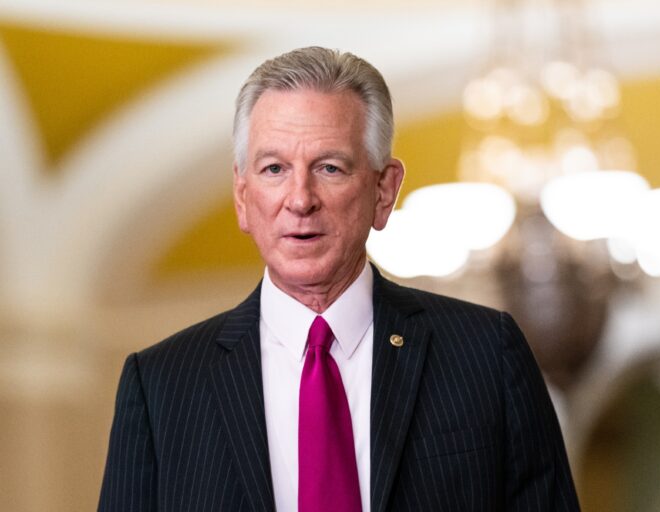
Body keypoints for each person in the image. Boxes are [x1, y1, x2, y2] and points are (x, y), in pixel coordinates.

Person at [98, 46, 580, 512]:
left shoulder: (485, 355)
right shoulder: (162, 385)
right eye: (274, 169)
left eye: (329, 168)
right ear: (243, 197)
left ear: (384, 190)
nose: (300, 198)